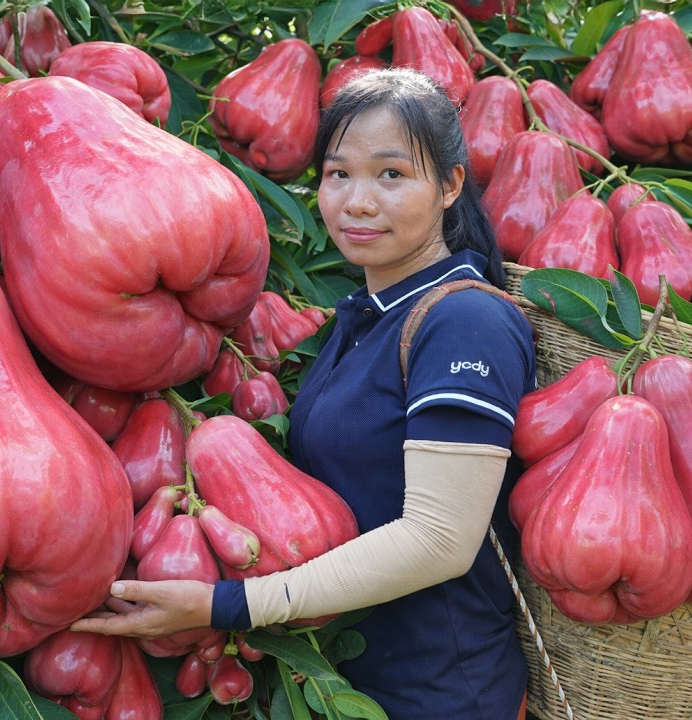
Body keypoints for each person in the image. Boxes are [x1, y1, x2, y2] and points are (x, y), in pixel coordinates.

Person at [71, 67, 537, 719]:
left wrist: (227, 606)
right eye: (338, 173)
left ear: (450, 185)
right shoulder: (369, 317)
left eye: (391, 175)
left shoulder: (466, 322)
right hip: (351, 682)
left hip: (443, 696)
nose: (357, 200)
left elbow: (439, 537)